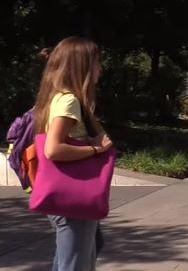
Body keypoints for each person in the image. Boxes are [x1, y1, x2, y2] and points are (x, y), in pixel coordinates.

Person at [33, 36, 113, 271]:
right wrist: (95, 148)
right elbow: (53, 149)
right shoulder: (69, 101)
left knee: (75, 258)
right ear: (83, 65)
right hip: (73, 201)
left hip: (67, 199)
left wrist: (86, 140)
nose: (100, 68)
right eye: (97, 62)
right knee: (74, 265)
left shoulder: (58, 97)